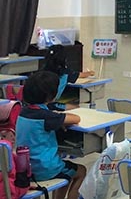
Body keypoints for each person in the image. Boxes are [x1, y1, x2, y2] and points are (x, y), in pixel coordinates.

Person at [16, 71, 86, 199]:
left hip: (25, 169)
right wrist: (58, 118)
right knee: (81, 171)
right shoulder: (46, 116)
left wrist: (57, 119)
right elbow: (76, 118)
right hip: (44, 169)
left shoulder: (22, 112)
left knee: (66, 172)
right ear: (50, 96)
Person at [43, 44, 95, 110]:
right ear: (64, 59)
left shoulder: (41, 71)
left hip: (38, 103)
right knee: (77, 108)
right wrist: (90, 73)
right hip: (49, 105)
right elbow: (81, 75)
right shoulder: (65, 73)